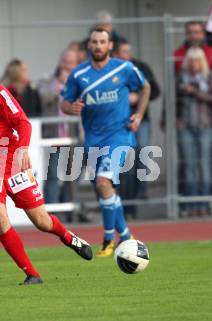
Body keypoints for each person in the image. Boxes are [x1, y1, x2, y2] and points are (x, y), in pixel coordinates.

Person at [0, 43, 92, 286]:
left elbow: (23, 123)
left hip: (11, 160)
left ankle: (69, 237)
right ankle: (32, 274)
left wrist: (23, 148)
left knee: (41, 221)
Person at [61, 28, 151, 257]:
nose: (98, 45)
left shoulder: (124, 68)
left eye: (103, 41)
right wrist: (70, 108)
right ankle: (127, 235)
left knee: (103, 182)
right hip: (93, 139)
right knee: (105, 190)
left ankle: (108, 239)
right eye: (94, 42)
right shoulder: (79, 74)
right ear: (89, 46)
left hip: (120, 136)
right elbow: (65, 101)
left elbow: (146, 86)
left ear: (110, 45)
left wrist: (139, 114)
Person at [114, 40, 161, 215]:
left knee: (142, 158)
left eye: (128, 51)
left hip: (141, 120)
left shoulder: (141, 68)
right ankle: (126, 203)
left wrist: (138, 96)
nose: (126, 55)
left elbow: (154, 90)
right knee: (125, 163)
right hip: (119, 122)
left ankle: (140, 196)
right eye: (122, 52)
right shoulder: (112, 70)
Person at [37, 49, 78, 220]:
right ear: (61, 61)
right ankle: (51, 213)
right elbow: (43, 97)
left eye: (71, 62)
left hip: (74, 135)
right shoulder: (47, 80)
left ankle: (71, 212)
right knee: (52, 174)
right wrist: (58, 87)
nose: (67, 65)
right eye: (65, 61)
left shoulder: (80, 80)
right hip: (53, 136)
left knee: (72, 176)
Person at [176, 47, 212, 216]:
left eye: (197, 60)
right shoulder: (181, 78)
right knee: (189, 165)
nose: (194, 64)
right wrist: (174, 119)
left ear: (202, 62)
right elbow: (172, 100)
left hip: (205, 125)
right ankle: (191, 204)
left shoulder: (209, 77)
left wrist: (196, 92)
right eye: (191, 60)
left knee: (205, 165)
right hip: (186, 126)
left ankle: (204, 203)